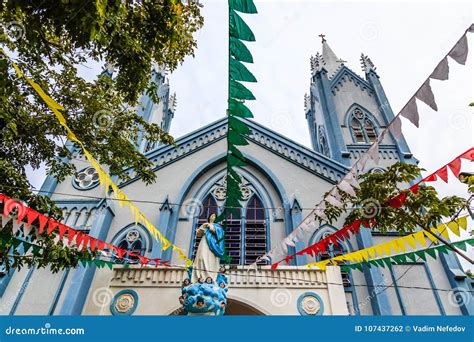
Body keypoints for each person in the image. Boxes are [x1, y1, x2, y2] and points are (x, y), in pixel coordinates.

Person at [191, 213, 225, 283]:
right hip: (204, 241)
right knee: (201, 258)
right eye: (212, 216)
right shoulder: (205, 225)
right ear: (209, 217)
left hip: (213, 245)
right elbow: (198, 234)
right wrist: (202, 228)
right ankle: (200, 277)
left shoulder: (217, 226)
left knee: (211, 259)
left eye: (214, 216)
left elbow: (220, 234)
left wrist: (212, 227)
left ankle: (210, 277)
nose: (213, 217)